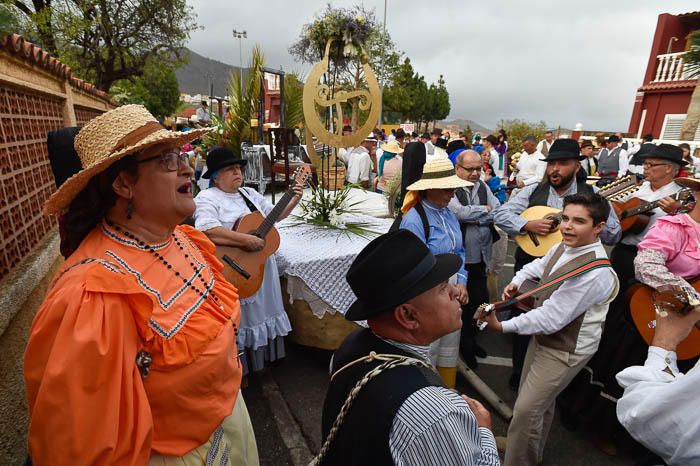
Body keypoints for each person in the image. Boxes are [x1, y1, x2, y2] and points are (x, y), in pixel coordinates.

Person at [24, 105, 259, 464]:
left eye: (181, 154)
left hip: (230, 427)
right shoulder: (92, 294)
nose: (186, 167)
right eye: (166, 159)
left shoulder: (185, 240)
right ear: (123, 183)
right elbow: (82, 442)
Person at [317, 229, 500, 466]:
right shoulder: (436, 415)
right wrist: (483, 431)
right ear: (408, 315)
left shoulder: (350, 346)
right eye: (443, 288)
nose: (456, 292)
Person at [557, 143, 687, 460]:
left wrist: (677, 216)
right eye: (646, 163)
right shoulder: (636, 188)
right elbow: (614, 234)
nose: (646, 169)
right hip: (626, 260)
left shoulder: (682, 197)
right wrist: (614, 216)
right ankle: (582, 407)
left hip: (657, 272)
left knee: (630, 344)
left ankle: (621, 421)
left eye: (653, 165)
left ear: (670, 169)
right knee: (608, 332)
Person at [477, 192, 619, 466]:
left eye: (579, 221)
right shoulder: (565, 246)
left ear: (598, 227)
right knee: (538, 407)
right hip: (546, 339)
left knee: (526, 410)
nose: (567, 226)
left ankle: (520, 458)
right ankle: (529, 450)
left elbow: (552, 318)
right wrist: (516, 282)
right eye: (565, 218)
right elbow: (536, 266)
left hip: (565, 349)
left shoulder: (595, 272)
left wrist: (502, 326)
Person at [494, 138, 621, 390]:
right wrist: (527, 225)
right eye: (552, 163)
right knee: (525, 314)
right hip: (532, 263)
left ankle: (554, 385)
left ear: (576, 165)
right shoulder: (532, 190)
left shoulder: (593, 196)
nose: (555, 169)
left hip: (573, 271)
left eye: (563, 163)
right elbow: (501, 213)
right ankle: (520, 372)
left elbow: (614, 234)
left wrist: (597, 224)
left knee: (562, 324)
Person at [615, 176, 700, 465]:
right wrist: (691, 295)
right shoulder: (675, 225)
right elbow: (646, 265)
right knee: (639, 375)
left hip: (690, 324)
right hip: (655, 312)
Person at [193, 147, 300, 375]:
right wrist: (244, 240)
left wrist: (293, 199)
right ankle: (241, 366)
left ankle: (268, 358)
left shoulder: (249, 194)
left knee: (266, 309)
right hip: (234, 266)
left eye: (238, 168)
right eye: (230, 169)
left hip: (260, 264)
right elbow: (207, 229)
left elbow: (275, 215)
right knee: (243, 315)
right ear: (215, 175)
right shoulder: (207, 198)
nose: (237, 173)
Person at [399, 158, 471, 388]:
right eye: (447, 189)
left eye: (453, 189)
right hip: (427, 292)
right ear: (430, 188)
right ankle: (427, 397)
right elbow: (413, 264)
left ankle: (446, 392)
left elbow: (459, 250)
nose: (452, 194)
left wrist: (461, 282)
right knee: (429, 346)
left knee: (450, 342)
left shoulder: (448, 214)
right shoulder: (414, 219)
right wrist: (445, 287)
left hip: (451, 289)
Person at [449, 150, 500, 368]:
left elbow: (497, 210)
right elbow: (459, 213)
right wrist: (483, 211)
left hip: (480, 255)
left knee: (480, 301)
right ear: (457, 168)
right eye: (470, 169)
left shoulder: (483, 186)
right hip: (460, 258)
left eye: (479, 168)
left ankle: (471, 341)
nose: (475, 173)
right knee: (461, 304)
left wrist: (477, 213)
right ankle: (464, 347)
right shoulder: (450, 187)